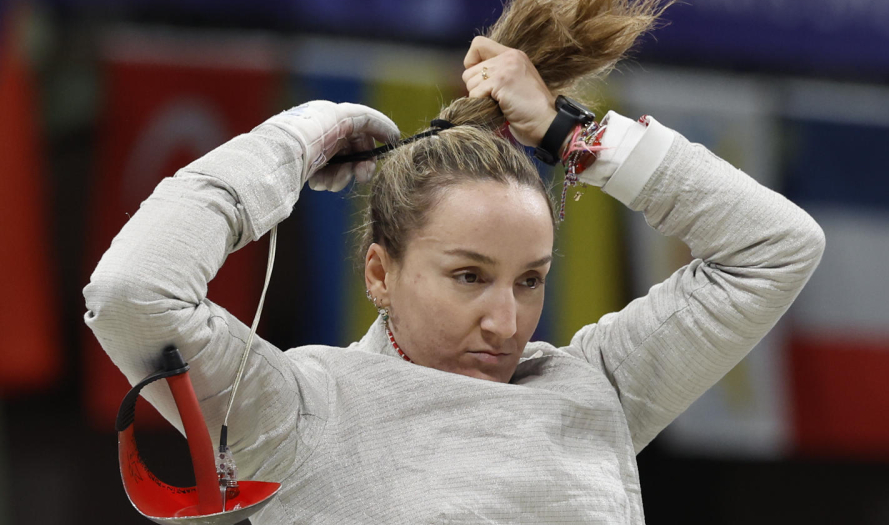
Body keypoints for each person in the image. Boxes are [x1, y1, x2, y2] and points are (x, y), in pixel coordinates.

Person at [84, 0, 825, 522]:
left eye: (530, 280)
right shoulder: (298, 407)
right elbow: (131, 292)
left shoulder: (599, 387)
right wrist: (296, 138)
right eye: (469, 275)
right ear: (380, 274)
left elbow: (775, 247)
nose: (506, 321)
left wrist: (579, 138)